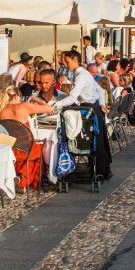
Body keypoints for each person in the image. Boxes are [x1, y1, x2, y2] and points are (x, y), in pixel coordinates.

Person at [55, 49, 113, 179]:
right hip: (95, 108)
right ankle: (101, 170)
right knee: (99, 141)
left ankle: (98, 171)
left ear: (75, 60)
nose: (65, 64)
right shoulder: (84, 73)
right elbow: (99, 89)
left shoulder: (81, 76)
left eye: (67, 61)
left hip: (90, 110)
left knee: (95, 141)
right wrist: (102, 103)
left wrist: (55, 105)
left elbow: (72, 97)